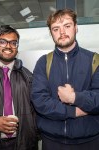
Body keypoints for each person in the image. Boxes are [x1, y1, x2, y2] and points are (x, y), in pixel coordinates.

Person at [31, 8, 99, 150]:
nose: (62, 32)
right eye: (56, 29)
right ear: (51, 34)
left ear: (76, 28)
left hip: (90, 141)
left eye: (67, 26)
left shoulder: (95, 60)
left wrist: (74, 97)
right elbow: (40, 101)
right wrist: (73, 112)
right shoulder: (43, 62)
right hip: (52, 141)